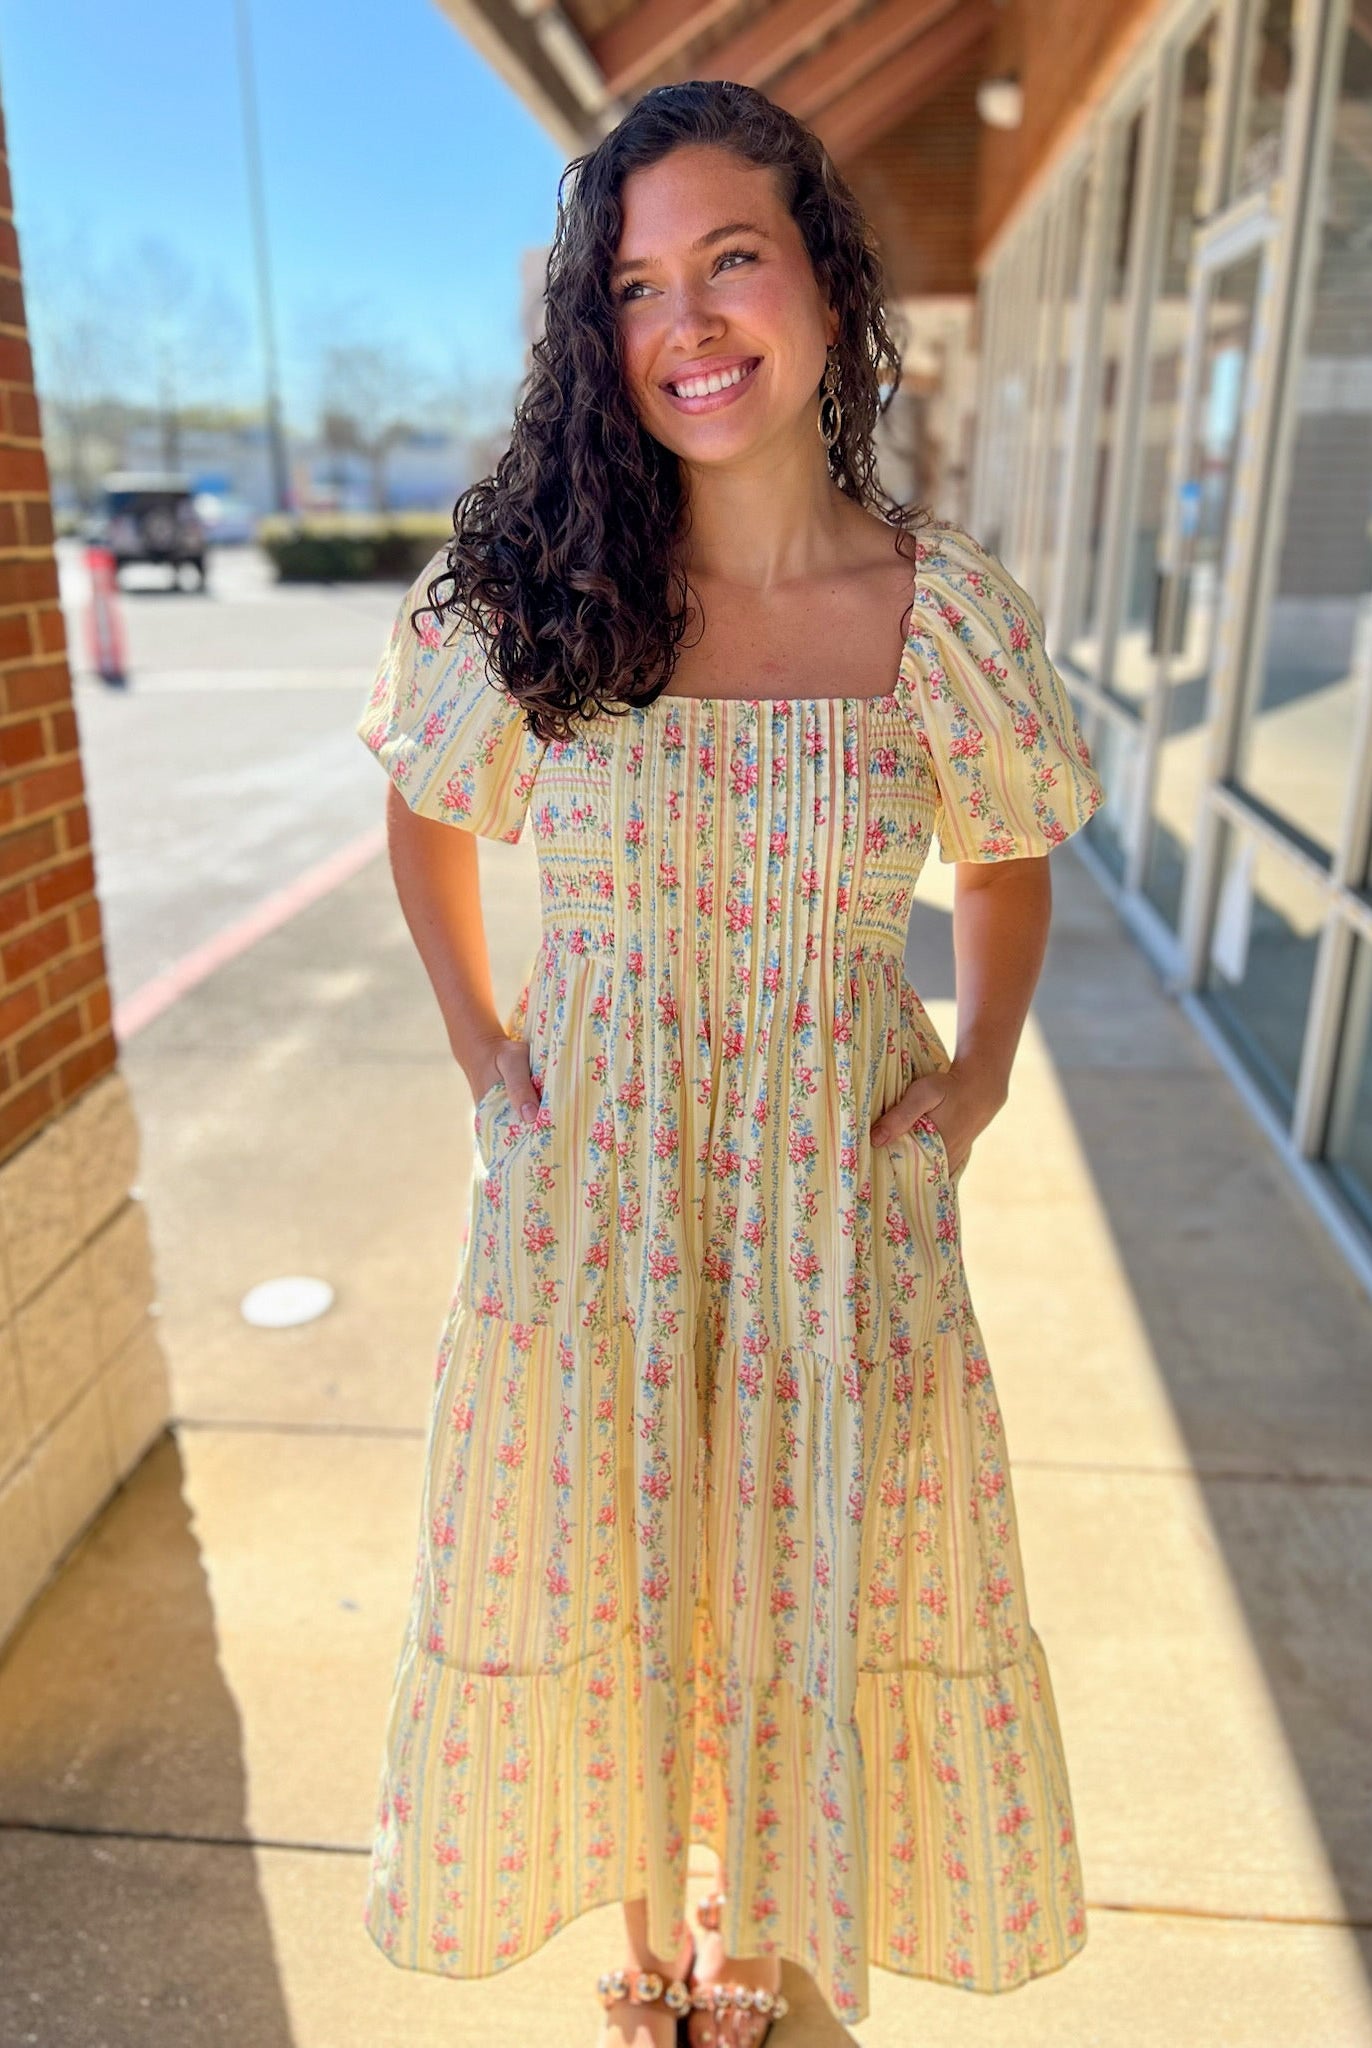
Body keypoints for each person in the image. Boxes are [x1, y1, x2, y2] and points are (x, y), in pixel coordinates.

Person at [355, 78, 1104, 2048]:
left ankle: (767, 1964)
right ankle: (647, 1960)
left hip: (824, 1191)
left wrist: (986, 1069)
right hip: (594, 1174)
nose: (681, 318)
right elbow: (427, 810)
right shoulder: (542, 589)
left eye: (728, 260)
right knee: (612, 1553)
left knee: (798, 1575)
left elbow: (1008, 848)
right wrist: (475, 1041)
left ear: (825, 286)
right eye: (631, 285)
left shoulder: (934, 616)